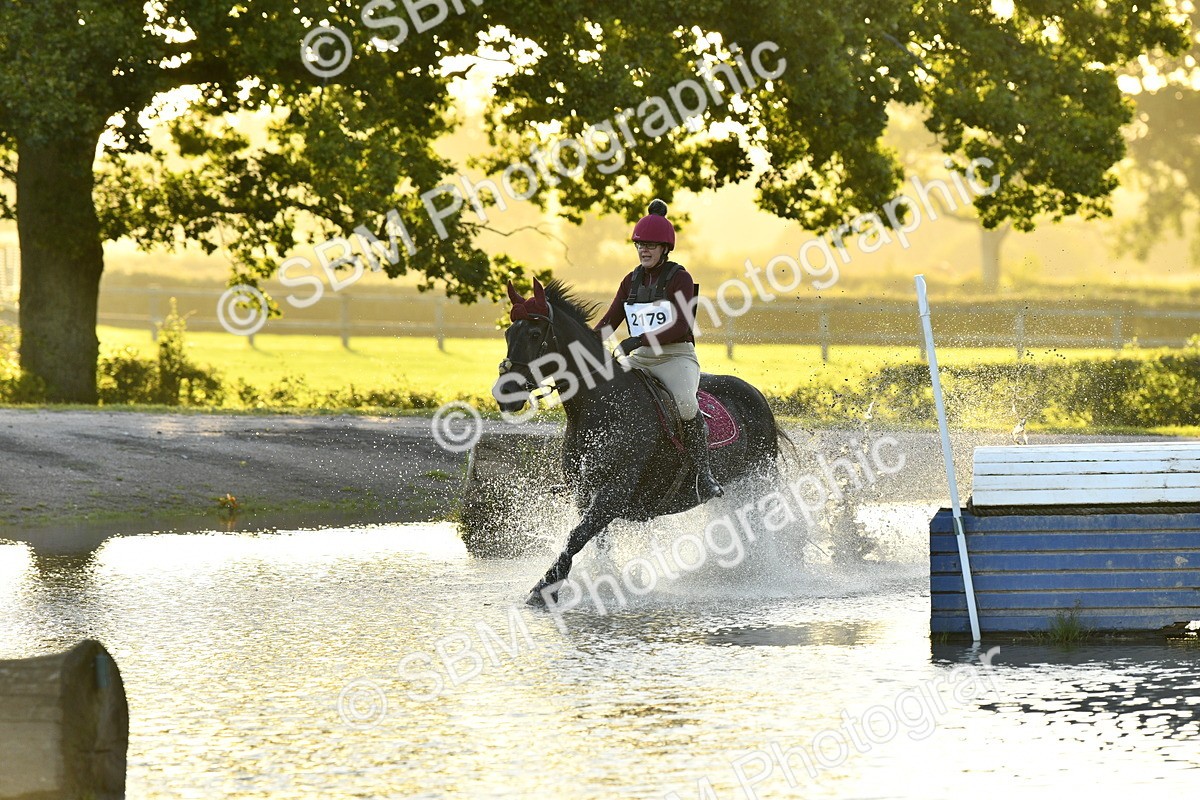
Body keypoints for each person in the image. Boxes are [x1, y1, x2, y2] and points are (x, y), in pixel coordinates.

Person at [593, 199, 723, 500]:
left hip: (676, 357)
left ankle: (704, 475)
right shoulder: (630, 281)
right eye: (640, 245)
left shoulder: (680, 278)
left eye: (651, 245)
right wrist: (579, 343)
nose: (644, 251)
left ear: (665, 248)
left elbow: (680, 325)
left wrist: (638, 340)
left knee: (685, 404)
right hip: (640, 360)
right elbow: (609, 322)